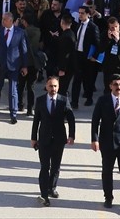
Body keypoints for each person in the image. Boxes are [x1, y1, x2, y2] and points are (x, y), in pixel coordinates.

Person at [90, 73, 120, 210]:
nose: (119, 87)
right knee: (107, 171)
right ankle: (108, 197)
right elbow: (95, 120)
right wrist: (94, 139)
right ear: (110, 86)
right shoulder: (103, 100)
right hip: (107, 142)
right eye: (116, 84)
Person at [30, 76, 75, 207]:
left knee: (55, 167)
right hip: (44, 139)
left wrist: (71, 136)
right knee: (45, 167)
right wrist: (33, 138)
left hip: (59, 139)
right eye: (50, 86)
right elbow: (36, 120)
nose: (53, 88)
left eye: (55, 86)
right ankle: (44, 194)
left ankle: (52, 187)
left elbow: (71, 119)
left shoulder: (63, 100)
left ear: (58, 87)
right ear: (46, 86)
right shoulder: (40, 100)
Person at [0, 12, 28, 123]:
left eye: (5, 19)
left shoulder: (20, 32)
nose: (2, 21)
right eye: (2, 19)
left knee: (13, 90)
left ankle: (13, 113)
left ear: (11, 21)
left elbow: (24, 50)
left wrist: (25, 66)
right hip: (0, 64)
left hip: (14, 65)